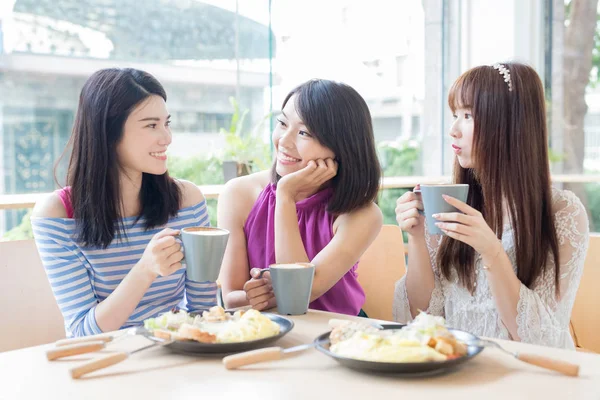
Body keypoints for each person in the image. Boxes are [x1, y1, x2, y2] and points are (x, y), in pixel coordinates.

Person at [393, 62, 589, 348]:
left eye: (468, 115)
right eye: (455, 115)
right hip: (457, 373)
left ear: (510, 125)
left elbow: (541, 337)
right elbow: (419, 318)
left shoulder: (563, 212)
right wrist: (417, 237)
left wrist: (492, 251)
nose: (454, 130)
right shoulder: (453, 202)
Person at [31, 68, 216, 337]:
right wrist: (145, 270)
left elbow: (204, 312)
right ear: (108, 132)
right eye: (152, 125)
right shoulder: (58, 214)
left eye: (167, 123)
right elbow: (82, 332)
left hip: (179, 354)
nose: (167, 138)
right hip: (104, 362)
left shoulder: (187, 201)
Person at [218, 79, 383, 316]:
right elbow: (231, 299)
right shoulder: (238, 194)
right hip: (264, 330)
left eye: (304, 132)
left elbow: (297, 295)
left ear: (341, 146)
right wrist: (259, 295)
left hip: (335, 334)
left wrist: (285, 195)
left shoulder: (362, 214)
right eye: (282, 123)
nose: (284, 141)